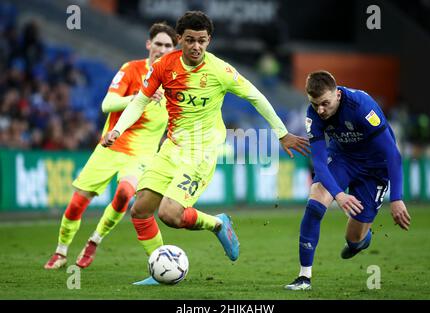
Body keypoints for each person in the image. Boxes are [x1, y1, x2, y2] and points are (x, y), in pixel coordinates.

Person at [102, 11, 310, 282]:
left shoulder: (219, 71)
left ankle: (218, 223)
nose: (196, 46)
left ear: (209, 40)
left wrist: (281, 133)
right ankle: (159, 269)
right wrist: (118, 129)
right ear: (179, 39)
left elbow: (256, 97)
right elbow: (140, 101)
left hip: (201, 153)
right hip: (171, 147)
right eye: (190, 40)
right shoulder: (165, 66)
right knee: (140, 211)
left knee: (169, 214)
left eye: (202, 40)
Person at [44, 22, 178, 270]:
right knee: (77, 203)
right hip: (111, 146)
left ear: (174, 50)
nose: (161, 49)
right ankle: (61, 251)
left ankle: (94, 241)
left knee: (126, 193)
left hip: (141, 156)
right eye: (158, 43)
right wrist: (140, 97)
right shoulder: (131, 69)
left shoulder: (176, 84)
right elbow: (107, 104)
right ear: (149, 44)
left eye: (168, 45)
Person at [285, 70, 411, 290]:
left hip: (375, 167)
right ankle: (304, 277)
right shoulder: (312, 114)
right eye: (315, 104)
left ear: (338, 95)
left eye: (325, 103)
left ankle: (361, 240)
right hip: (343, 159)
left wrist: (397, 198)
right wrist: (339, 195)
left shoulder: (362, 106)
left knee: (354, 239)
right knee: (315, 202)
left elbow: (392, 154)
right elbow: (320, 165)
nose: (320, 110)